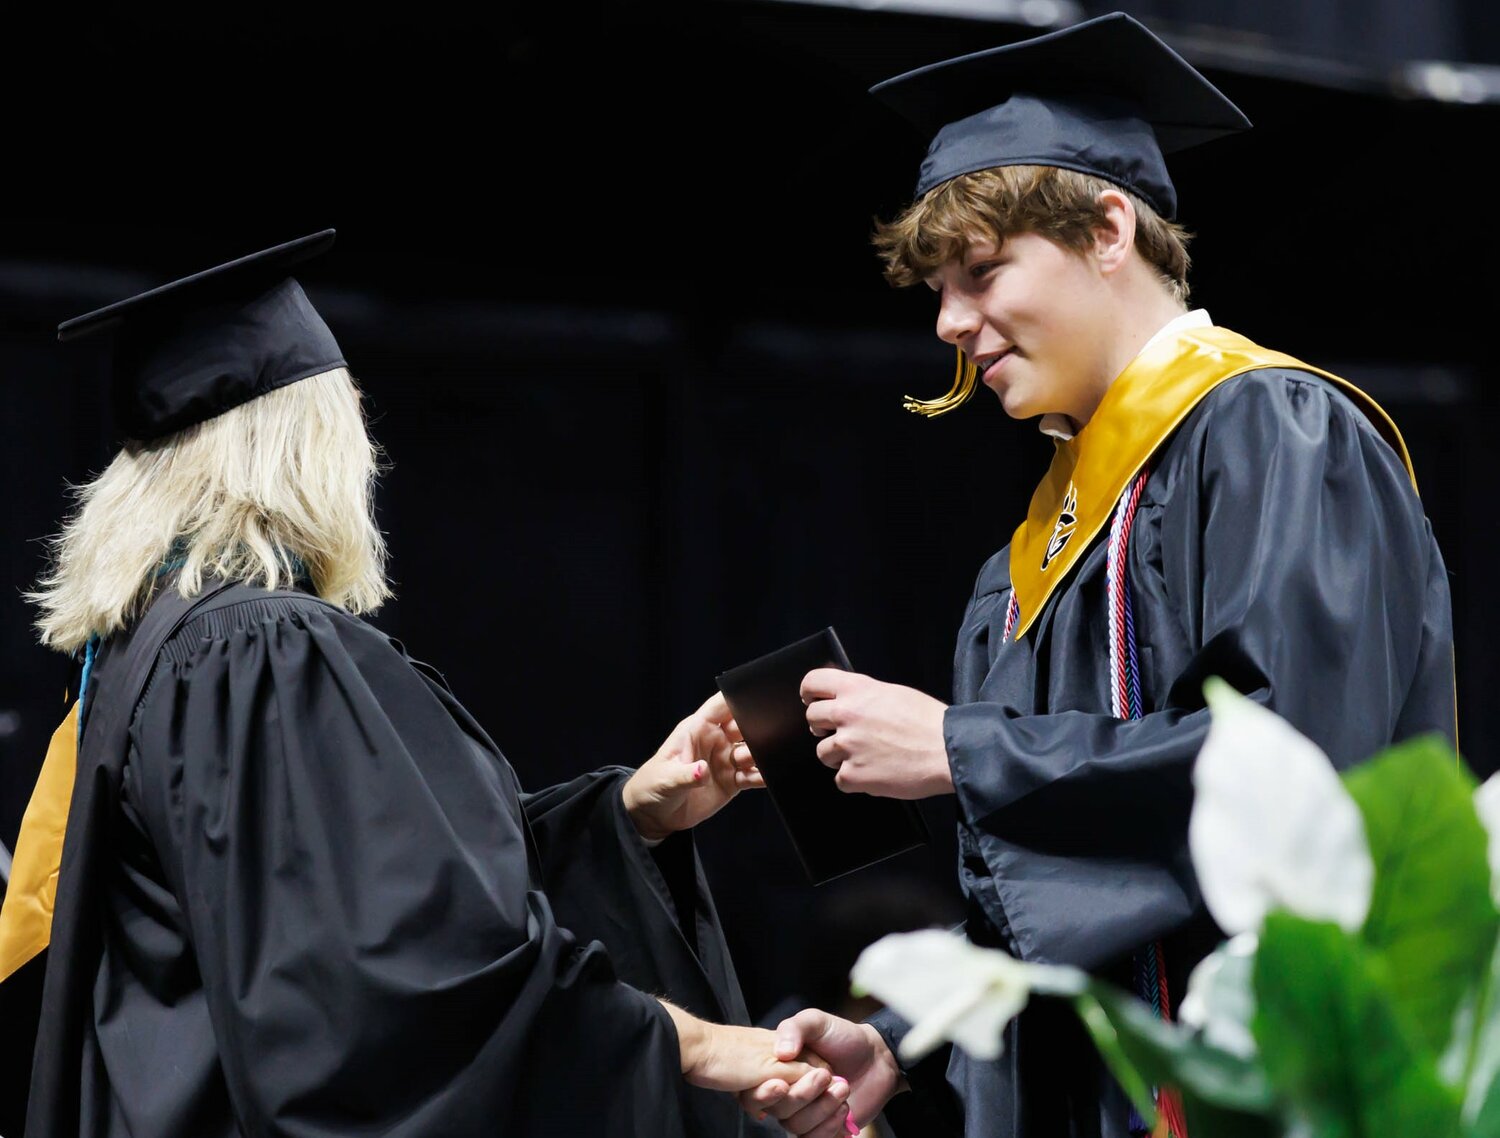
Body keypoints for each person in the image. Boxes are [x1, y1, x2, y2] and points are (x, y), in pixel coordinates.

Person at [746, 12, 1457, 1138]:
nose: (951, 323)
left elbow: (1304, 778)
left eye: (981, 272)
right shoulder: (1023, 565)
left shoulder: (1274, 435)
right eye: (936, 289)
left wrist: (960, 747)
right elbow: (1052, 916)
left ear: (1110, 226)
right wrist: (905, 1044)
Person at [0, 230, 847, 1137]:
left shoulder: (153, 650)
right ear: (303, 437)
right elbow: (391, 978)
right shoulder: (265, 650)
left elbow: (347, 896)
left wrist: (628, 815)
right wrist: (692, 1042)